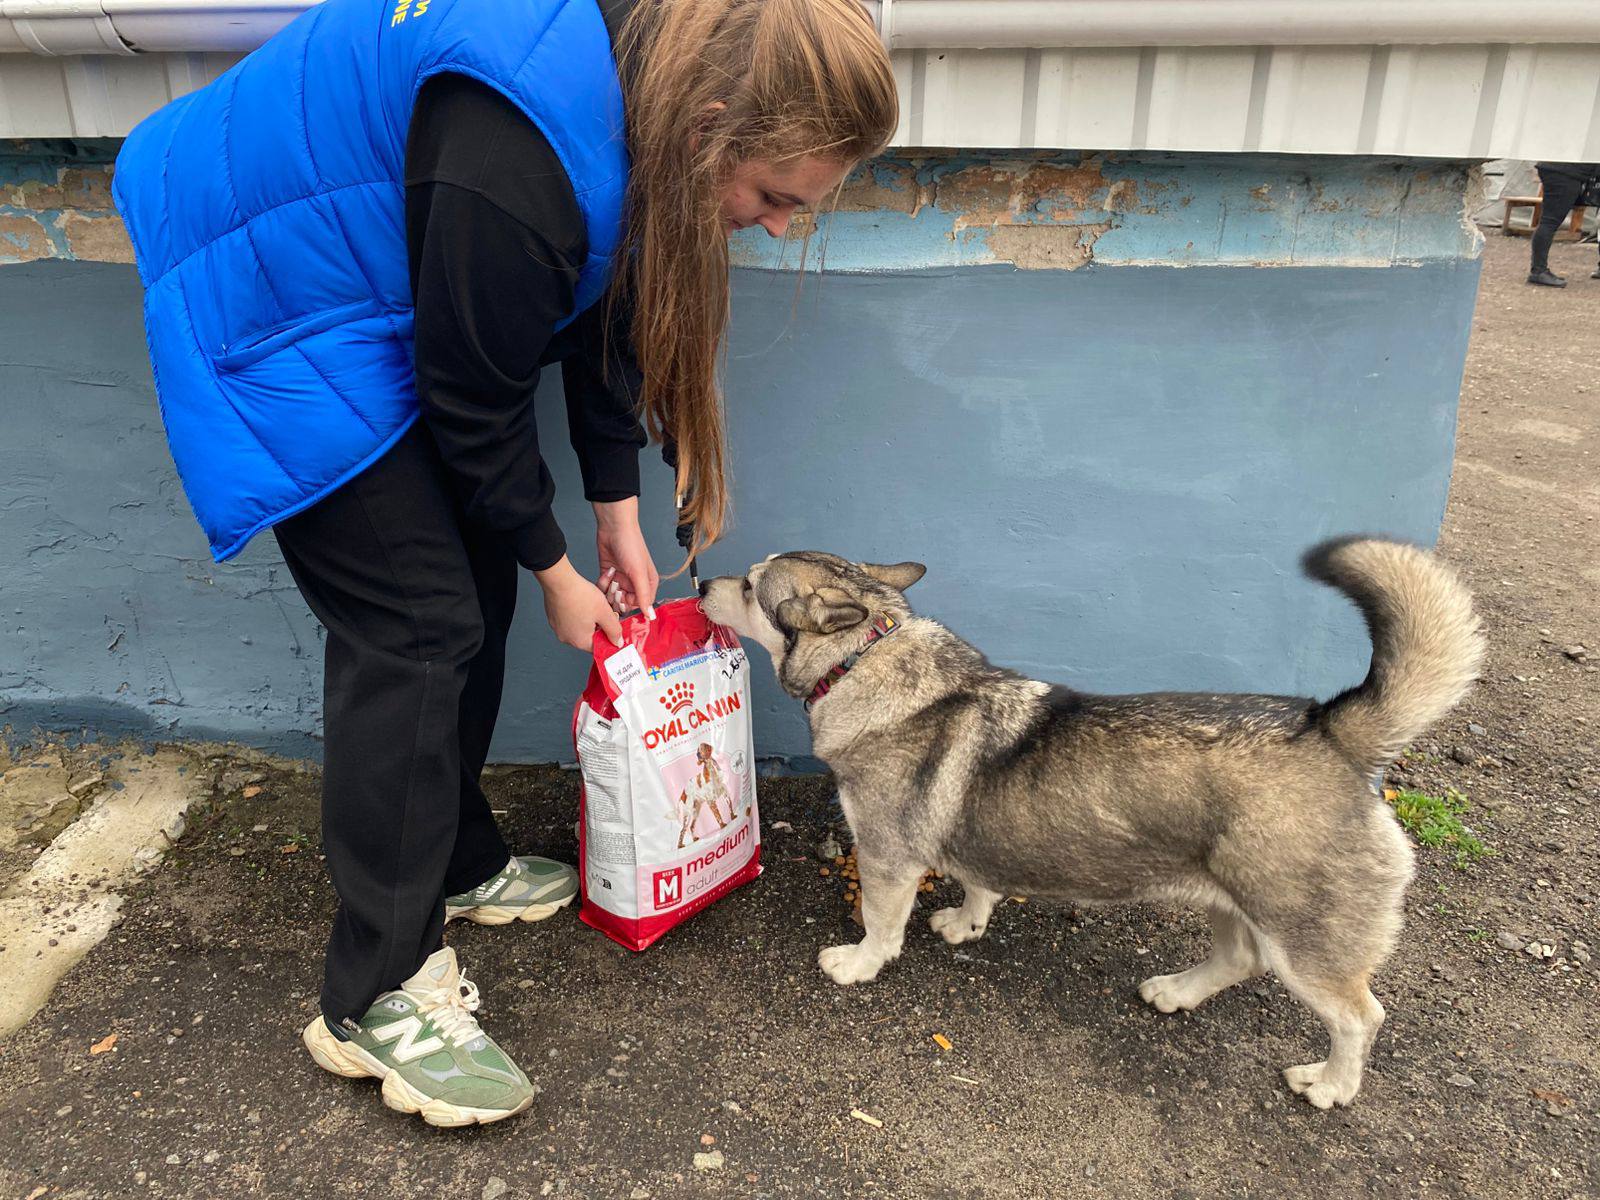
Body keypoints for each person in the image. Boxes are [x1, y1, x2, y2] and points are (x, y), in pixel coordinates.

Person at [111, 0, 896, 1126]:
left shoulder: (647, 83)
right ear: (710, 125)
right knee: (420, 623)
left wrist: (612, 508)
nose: (777, 226)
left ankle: (454, 859)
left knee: (464, 581)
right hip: (269, 283)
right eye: (774, 196)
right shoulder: (514, 150)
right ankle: (373, 995)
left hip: (378, 261)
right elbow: (472, 396)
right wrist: (556, 570)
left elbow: (595, 298)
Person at [1528, 160, 1600, 287]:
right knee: (1549, 222)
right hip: (1565, 172)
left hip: (1555, 166)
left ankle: (1538, 270)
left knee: (1548, 221)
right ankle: (1538, 271)